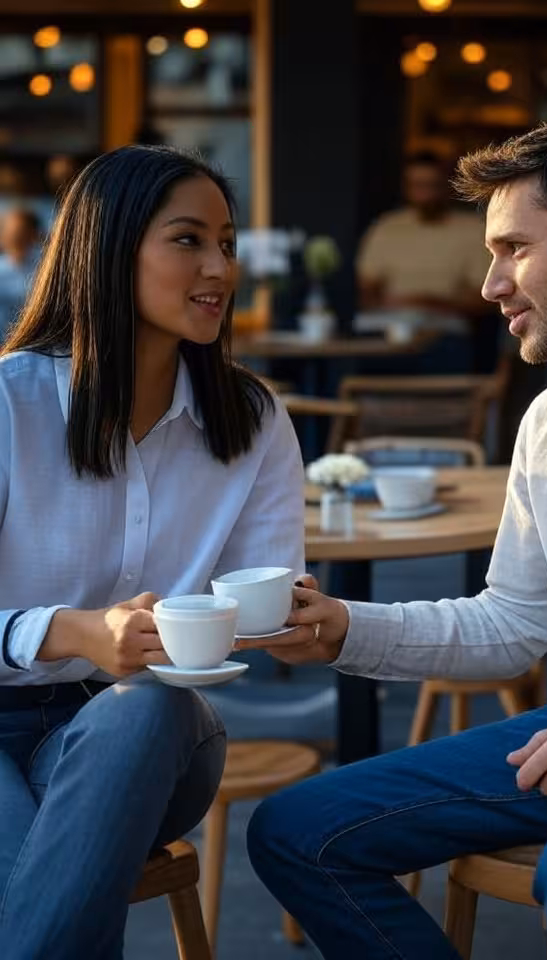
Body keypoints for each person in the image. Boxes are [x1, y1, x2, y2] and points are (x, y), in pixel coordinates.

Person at [242, 116, 547, 960]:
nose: (491, 283)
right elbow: (512, 625)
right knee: (296, 828)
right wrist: (347, 627)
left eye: (513, 249)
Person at [0, 144, 305, 958]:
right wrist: (71, 632)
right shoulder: (9, 405)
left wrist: (289, 617)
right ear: (108, 247)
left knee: (150, 705)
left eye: (229, 243)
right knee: (48, 894)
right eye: (188, 240)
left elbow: (269, 593)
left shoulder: (251, 420)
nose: (220, 267)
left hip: (142, 739)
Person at [355, 151, 498, 373]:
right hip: (389, 328)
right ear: (406, 188)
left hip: (447, 331)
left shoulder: (472, 229)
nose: (425, 194)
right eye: (417, 185)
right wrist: (390, 309)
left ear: (447, 185)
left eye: (432, 185)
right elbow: (367, 291)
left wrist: (429, 304)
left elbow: (487, 299)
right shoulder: (387, 228)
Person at [0, 208, 42, 342]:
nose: (15, 236)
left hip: (36, 343)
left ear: (33, 234)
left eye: (20, 231)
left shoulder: (45, 268)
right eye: (10, 231)